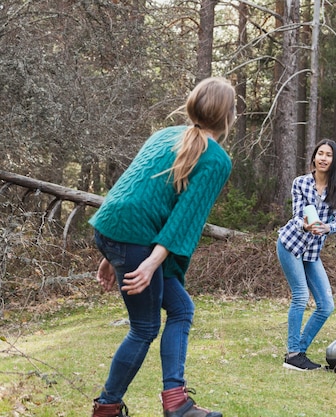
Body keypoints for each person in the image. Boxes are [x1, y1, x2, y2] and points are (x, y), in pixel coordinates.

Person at [89, 77, 236, 417]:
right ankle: (107, 407)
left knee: (181, 309)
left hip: (114, 230)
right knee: (144, 327)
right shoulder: (216, 159)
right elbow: (184, 219)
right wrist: (146, 262)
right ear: (227, 115)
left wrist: (111, 253)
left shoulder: (163, 135)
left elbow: (129, 192)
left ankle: (176, 401)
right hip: (134, 241)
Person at [276, 139, 336, 371]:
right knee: (300, 296)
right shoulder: (300, 182)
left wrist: (328, 228)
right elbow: (298, 215)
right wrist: (306, 225)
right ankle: (293, 354)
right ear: (314, 157)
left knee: (326, 305)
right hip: (290, 243)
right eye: (320, 153)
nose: (323, 158)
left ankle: (300, 349)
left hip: (312, 252)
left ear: (334, 160)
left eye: (328, 155)